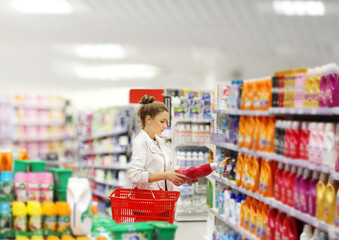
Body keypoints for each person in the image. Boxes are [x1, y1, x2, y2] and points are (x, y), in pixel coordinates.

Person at [127, 94, 187, 190]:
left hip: (162, 199)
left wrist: (180, 175)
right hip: (147, 201)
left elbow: (162, 172)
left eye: (166, 122)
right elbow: (135, 175)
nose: (165, 126)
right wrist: (166, 175)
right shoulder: (140, 142)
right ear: (148, 119)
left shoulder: (160, 141)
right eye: (162, 121)